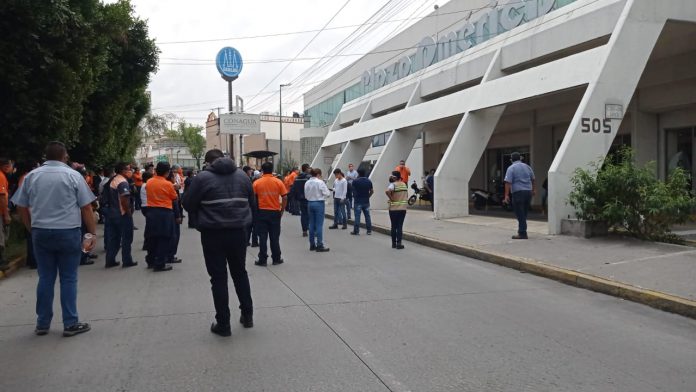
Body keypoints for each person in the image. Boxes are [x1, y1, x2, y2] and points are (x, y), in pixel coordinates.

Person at [11, 141, 96, 337]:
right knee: (68, 278)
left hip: (41, 232)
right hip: (67, 231)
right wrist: (91, 234)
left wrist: (31, 227)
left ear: (45, 157)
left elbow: (21, 206)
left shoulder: (32, 176)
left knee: (46, 277)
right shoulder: (73, 175)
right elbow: (86, 207)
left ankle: (42, 323)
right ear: (64, 156)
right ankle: (70, 323)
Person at [183, 149, 255, 337]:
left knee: (218, 278)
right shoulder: (243, 176)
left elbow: (188, 204)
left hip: (212, 234)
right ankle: (248, 316)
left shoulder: (202, 178)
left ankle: (223, 324)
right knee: (240, 273)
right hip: (239, 232)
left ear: (208, 163)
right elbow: (252, 203)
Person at [144, 162, 179, 271]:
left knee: (152, 237)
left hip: (151, 211)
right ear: (167, 172)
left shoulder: (149, 182)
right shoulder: (168, 184)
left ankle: (150, 261)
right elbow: (174, 198)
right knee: (164, 238)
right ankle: (160, 263)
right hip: (165, 212)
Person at [252, 162, 288, 266]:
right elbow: (285, 197)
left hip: (261, 212)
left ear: (262, 170)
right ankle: (276, 258)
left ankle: (262, 260)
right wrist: (282, 210)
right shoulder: (278, 182)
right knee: (274, 237)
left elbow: (252, 198)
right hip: (274, 212)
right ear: (272, 170)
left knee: (262, 237)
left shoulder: (257, 183)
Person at [104, 162, 137, 268]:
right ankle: (127, 260)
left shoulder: (112, 180)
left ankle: (110, 260)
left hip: (111, 213)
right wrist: (128, 212)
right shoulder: (122, 182)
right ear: (123, 170)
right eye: (128, 169)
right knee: (127, 238)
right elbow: (124, 198)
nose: (130, 171)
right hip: (121, 214)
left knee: (114, 238)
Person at [503, 152, 536, 240]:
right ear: (520, 158)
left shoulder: (511, 168)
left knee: (519, 213)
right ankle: (521, 230)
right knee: (524, 212)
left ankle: (522, 233)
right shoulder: (527, 166)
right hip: (528, 192)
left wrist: (506, 195)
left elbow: (508, 182)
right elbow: (533, 179)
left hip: (518, 192)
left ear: (511, 159)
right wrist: (533, 190)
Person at [304, 168, 331, 252]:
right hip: (319, 203)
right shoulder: (320, 182)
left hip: (310, 203)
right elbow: (327, 193)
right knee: (319, 225)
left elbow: (305, 195)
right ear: (318, 174)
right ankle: (319, 244)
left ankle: (312, 244)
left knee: (311, 224)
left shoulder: (307, 182)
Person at [386, 171, 408, 249]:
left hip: (393, 209)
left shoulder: (393, 185)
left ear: (394, 177)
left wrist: (391, 198)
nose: (390, 177)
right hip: (402, 209)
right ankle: (399, 243)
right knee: (399, 226)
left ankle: (393, 244)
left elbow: (387, 191)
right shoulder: (404, 184)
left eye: (391, 176)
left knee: (393, 226)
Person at [351, 168, 373, 235]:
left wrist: (354, 196)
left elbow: (353, 191)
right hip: (366, 201)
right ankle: (369, 230)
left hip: (358, 201)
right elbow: (372, 191)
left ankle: (356, 231)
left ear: (358, 173)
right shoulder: (369, 181)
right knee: (367, 216)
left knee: (357, 216)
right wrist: (368, 196)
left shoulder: (355, 181)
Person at [291, 164, 312, 237]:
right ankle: (311, 229)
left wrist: (296, 197)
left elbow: (293, 189)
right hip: (309, 198)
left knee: (303, 214)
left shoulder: (297, 178)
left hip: (301, 199)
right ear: (306, 169)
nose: (310, 169)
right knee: (310, 214)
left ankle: (304, 230)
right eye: (309, 168)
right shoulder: (309, 177)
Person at [0, 158, 12, 269]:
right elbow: (2, 196)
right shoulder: (1, 176)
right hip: (0, 211)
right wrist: (6, 213)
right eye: (10, 165)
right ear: (5, 166)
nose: (11, 167)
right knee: (1, 236)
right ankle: (1, 261)